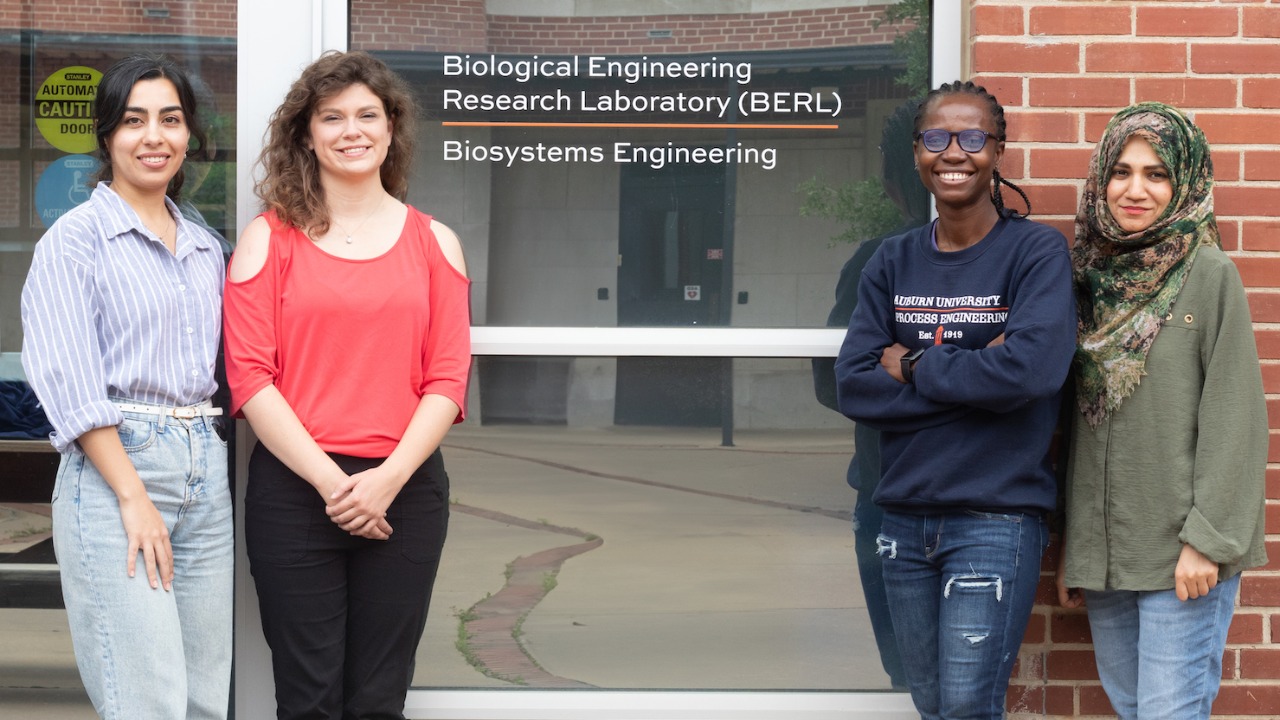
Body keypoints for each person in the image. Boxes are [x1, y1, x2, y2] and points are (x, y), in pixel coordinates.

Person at [222, 50, 471, 719]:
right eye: (331, 116)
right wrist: (335, 486)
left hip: (405, 493)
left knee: (379, 698)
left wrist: (385, 480)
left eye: (368, 114)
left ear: (392, 129)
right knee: (308, 701)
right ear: (306, 134)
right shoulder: (267, 240)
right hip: (297, 496)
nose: (350, 129)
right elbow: (249, 378)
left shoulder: (434, 242)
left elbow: (447, 378)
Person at [834, 80, 1077, 718]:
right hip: (903, 519)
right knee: (932, 703)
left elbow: (1031, 377)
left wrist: (911, 365)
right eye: (936, 137)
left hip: (993, 521)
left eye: (973, 138)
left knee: (968, 706)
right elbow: (854, 385)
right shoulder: (891, 261)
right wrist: (980, 374)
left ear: (998, 151)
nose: (954, 153)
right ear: (918, 152)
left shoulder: (1035, 253)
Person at [20, 53, 232, 719]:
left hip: (207, 468)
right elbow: (69, 378)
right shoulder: (76, 241)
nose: (154, 137)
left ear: (189, 134)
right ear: (108, 134)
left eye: (170, 120)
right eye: (134, 120)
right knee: (146, 697)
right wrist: (132, 496)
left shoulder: (204, 246)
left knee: (202, 695)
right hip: (119, 473)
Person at [1056, 102, 1267, 720]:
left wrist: (1208, 540)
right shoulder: (1086, 276)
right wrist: (1078, 546)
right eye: (1121, 171)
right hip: (1107, 551)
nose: (1135, 190)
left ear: (1185, 183)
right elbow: (1077, 426)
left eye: (1156, 174)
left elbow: (1236, 417)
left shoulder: (1209, 273)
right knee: (1131, 707)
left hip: (1185, 551)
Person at [812, 96, 930, 691]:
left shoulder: (1011, 257)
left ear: (887, 181)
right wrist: (952, 384)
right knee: (916, 679)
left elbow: (1020, 376)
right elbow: (836, 378)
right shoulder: (875, 263)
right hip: (885, 491)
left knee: (920, 680)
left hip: (966, 505)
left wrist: (908, 372)